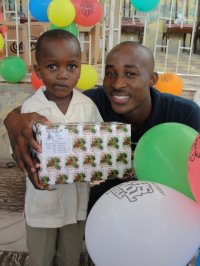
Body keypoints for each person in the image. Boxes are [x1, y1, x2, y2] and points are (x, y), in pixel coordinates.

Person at [4, 41, 200, 211]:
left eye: (130, 74)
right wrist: (13, 119)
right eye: (110, 73)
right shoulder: (93, 102)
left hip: (169, 201)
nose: (117, 84)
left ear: (152, 79)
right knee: (80, 211)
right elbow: (41, 108)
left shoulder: (185, 114)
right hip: (114, 193)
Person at [15, 29, 103, 266]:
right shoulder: (30, 110)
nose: (62, 75)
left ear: (80, 69)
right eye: (52, 66)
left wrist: (97, 172)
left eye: (71, 66)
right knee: (40, 258)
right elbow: (23, 153)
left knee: (71, 257)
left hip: (76, 203)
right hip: (42, 203)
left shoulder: (87, 106)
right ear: (38, 71)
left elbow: (98, 146)